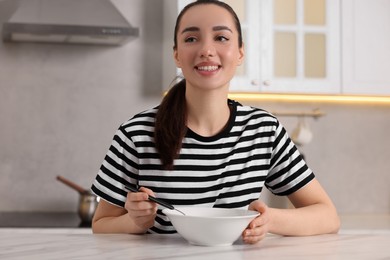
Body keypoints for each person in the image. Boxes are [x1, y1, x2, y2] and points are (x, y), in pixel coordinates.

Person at [91, 0, 340, 244]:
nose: (206, 50)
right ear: (176, 55)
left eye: (221, 38)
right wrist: (134, 221)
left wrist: (268, 219)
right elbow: (101, 224)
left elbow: (327, 216)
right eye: (191, 39)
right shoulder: (136, 133)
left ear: (241, 52)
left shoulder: (265, 130)